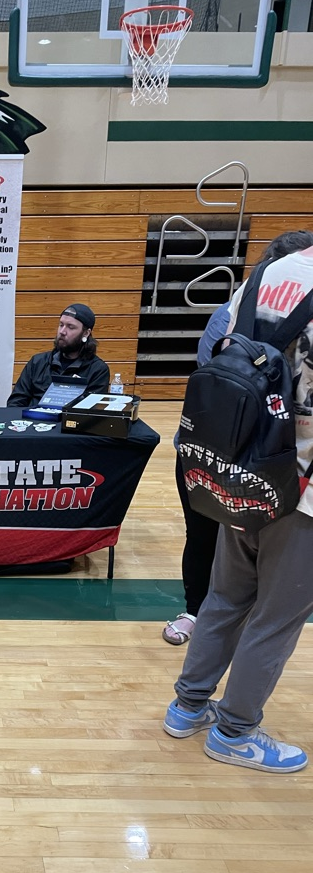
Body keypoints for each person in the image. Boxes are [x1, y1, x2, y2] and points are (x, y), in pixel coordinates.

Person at [163, 234, 313, 773]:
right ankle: (235, 732)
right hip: (302, 490)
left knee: (226, 595)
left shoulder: (267, 275)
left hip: (240, 469)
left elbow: (217, 354)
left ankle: (188, 704)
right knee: (275, 619)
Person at [7, 303, 110, 407]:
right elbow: (15, 403)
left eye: (70, 327)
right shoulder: (37, 362)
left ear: (86, 333)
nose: (62, 331)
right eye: (61, 325)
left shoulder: (97, 370)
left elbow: (91, 413)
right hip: (31, 420)